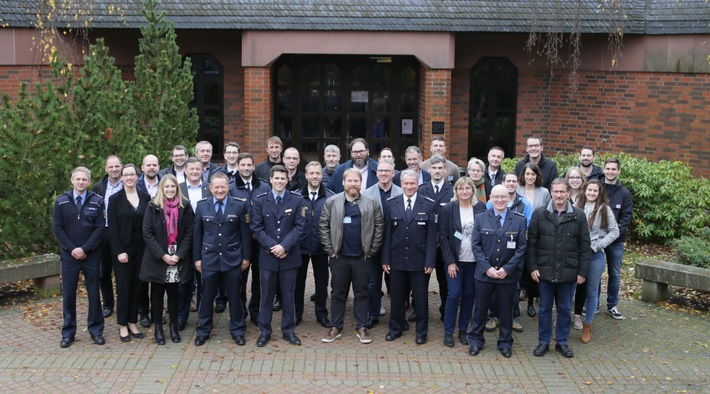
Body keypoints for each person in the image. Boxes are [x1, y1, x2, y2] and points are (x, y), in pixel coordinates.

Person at [527, 178, 591, 358]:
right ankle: (543, 342)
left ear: (568, 193)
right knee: (544, 309)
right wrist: (532, 267)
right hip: (545, 270)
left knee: (564, 309)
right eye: (556, 191)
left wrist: (582, 271)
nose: (559, 195)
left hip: (568, 271)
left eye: (563, 191)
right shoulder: (540, 214)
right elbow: (531, 244)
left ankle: (562, 343)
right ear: (551, 192)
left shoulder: (578, 216)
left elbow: (585, 246)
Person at [319, 168, 384, 344]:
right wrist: (331, 250)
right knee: (338, 293)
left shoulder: (371, 203)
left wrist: (371, 251)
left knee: (362, 293)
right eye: (350, 181)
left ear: (361, 183)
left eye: (356, 181)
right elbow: (323, 226)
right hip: (339, 257)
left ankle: (362, 327)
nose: (353, 184)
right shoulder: (332, 202)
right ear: (343, 183)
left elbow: (379, 228)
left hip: (362, 258)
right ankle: (335, 326)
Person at [468, 185, 527, 358]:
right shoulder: (480, 218)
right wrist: (487, 268)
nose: (500, 200)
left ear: (509, 198)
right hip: (484, 275)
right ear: (490, 199)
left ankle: (505, 342)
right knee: (479, 309)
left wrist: (507, 269)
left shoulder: (519, 220)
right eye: (496, 197)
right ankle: (476, 341)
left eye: (503, 197)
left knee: (506, 311)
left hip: (507, 276)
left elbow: (522, 248)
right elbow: (476, 246)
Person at [193, 172, 251, 347]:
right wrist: (197, 259)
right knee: (206, 298)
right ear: (210, 188)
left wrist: (246, 258)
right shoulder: (202, 206)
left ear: (228, 188)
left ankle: (238, 330)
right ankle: (203, 330)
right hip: (209, 259)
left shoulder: (239, 206)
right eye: (216, 187)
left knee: (235, 297)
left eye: (223, 187)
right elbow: (197, 235)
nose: (219, 190)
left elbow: (245, 235)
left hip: (232, 259)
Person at [251, 165, 305, 347]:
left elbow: (299, 227)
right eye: (277, 178)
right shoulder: (259, 201)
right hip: (268, 256)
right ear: (271, 180)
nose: (280, 181)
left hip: (289, 256)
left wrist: (284, 246)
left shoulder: (297, 200)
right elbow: (257, 227)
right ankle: (264, 331)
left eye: (283, 178)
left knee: (289, 296)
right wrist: (273, 247)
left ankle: (288, 331)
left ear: (287, 180)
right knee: (266, 296)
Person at [382, 170, 437, 345]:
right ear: (401, 184)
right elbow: (387, 235)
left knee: (420, 300)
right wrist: (385, 259)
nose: (409, 187)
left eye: (413, 183)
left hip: (419, 262)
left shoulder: (428, 204)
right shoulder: (391, 203)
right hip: (397, 259)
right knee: (397, 297)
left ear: (418, 184)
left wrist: (430, 261)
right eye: (406, 184)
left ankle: (421, 332)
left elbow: (431, 237)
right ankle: (395, 328)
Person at [53, 166, 106, 348]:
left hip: (91, 255)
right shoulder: (61, 202)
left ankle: (96, 331)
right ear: (72, 180)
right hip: (69, 256)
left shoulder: (97, 201)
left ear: (89, 181)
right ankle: (68, 333)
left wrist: (85, 248)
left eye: (84, 179)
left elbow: (100, 228)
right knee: (68, 295)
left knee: (93, 293)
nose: (81, 182)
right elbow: (57, 229)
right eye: (78, 179)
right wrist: (72, 249)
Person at [141, 174, 194, 345]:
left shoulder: (185, 206)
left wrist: (178, 255)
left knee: (173, 293)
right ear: (161, 189)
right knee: (157, 293)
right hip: (159, 255)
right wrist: (163, 255)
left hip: (177, 256)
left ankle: (173, 326)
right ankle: (158, 328)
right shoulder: (153, 206)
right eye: (167, 187)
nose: (170, 190)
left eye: (173, 187)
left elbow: (189, 233)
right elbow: (147, 233)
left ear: (177, 189)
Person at [438, 177, 486, 347]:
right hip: (455, 262)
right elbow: (443, 237)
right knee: (453, 294)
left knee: (468, 296)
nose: (464, 191)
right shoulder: (449, 209)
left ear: (473, 190)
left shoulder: (480, 208)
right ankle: (448, 332)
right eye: (461, 188)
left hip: (474, 262)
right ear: (456, 191)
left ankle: (463, 330)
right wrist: (450, 262)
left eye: (467, 188)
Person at [484, 172, 532, 333]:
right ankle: (494, 316)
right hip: (494, 253)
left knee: (515, 287)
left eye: (514, 181)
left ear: (518, 184)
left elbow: (527, 230)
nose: (511, 183)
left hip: (514, 256)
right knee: (492, 288)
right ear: (503, 183)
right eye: (508, 181)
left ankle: (512, 316)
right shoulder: (492, 202)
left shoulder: (525, 204)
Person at [108, 164, 151, 342]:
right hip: (123, 250)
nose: (129, 178)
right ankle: (123, 325)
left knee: (138, 286)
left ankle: (133, 322)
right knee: (124, 287)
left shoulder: (145, 196)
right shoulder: (115, 199)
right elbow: (112, 228)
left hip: (142, 248)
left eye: (132, 174)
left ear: (137, 176)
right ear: (122, 178)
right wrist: (119, 251)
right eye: (126, 175)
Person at [574, 180, 619, 342]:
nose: (592, 193)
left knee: (592, 292)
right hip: (575, 255)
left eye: (595, 191)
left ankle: (587, 326)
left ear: (600, 193)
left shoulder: (604, 210)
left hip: (594, 256)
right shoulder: (575, 205)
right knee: (570, 288)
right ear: (584, 191)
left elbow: (614, 232)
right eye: (589, 190)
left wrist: (599, 245)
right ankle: (567, 320)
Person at [229, 152, 271, 325]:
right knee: (240, 279)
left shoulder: (264, 186)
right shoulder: (231, 188)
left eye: (249, 165)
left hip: (260, 242)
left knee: (259, 280)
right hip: (240, 242)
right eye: (243, 165)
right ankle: (241, 312)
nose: (246, 168)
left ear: (253, 166)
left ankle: (256, 312)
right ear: (238, 166)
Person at [361, 159, 402, 328]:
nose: (384, 174)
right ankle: (373, 314)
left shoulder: (401, 192)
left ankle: (397, 316)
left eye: (387, 171)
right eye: (381, 171)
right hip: (374, 246)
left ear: (393, 173)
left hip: (396, 246)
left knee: (397, 283)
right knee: (372, 283)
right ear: (376, 173)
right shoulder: (366, 194)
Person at [416, 154, 454, 323]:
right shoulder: (421, 190)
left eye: (440, 168)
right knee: (420, 281)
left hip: (445, 245)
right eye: (434, 168)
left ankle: (446, 310)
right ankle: (419, 311)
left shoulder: (452, 191)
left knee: (444, 281)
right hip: (424, 244)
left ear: (445, 170)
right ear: (428, 170)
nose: (437, 171)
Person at [296, 161, 335, 327]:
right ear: (306, 175)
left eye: (318, 173)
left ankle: (321, 314)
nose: (314, 176)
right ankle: (297, 314)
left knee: (321, 283)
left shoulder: (331, 197)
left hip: (321, 248)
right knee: (298, 283)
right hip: (300, 248)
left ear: (322, 175)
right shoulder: (296, 196)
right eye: (311, 173)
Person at [178, 157, 212, 329]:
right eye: (191, 169)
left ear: (202, 171)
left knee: (204, 282)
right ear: (185, 170)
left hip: (205, 242)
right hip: (183, 243)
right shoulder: (178, 189)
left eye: (197, 169)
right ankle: (181, 317)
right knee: (184, 282)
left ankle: (203, 318)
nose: (194, 172)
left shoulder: (209, 189)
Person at [516, 162, 552, 320]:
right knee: (518, 268)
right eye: (527, 174)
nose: (530, 177)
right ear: (523, 176)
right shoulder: (517, 190)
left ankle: (531, 302)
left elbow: (548, 213)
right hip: (518, 236)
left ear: (537, 176)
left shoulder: (544, 192)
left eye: (533, 174)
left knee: (532, 269)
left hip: (537, 235)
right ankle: (515, 302)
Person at [602, 157, 633, 320]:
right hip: (598, 240)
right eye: (608, 168)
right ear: (603, 169)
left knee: (614, 274)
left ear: (619, 171)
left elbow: (626, 218)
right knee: (596, 273)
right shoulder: (597, 188)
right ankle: (592, 304)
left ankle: (612, 305)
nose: (610, 172)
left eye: (614, 169)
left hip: (616, 241)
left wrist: (612, 236)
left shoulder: (624, 193)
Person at [92, 155, 123, 319]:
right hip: (103, 233)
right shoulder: (98, 187)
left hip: (122, 234)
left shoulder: (128, 185)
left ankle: (123, 302)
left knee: (122, 271)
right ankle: (108, 304)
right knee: (104, 271)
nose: (114, 169)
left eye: (117, 166)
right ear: (106, 169)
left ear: (121, 167)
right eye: (111, 167)